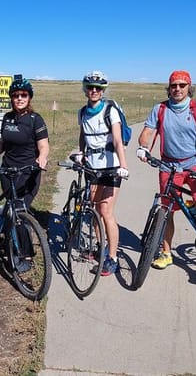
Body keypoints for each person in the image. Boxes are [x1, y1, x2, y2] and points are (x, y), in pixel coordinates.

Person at [136, 70, 196, 275]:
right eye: (174, 85)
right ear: (169, 88)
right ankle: (166, 253)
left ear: (188, 87)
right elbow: (147, 132)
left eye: (182, 85)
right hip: (169, 166)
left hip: (195, 165)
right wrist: (143, 147)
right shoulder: (160, 109)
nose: (177, 89)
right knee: (166, 211)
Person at [75, 71, 129, 276]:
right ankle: (101, 247)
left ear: (103, 90)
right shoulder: (82, 112)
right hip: (92, 166)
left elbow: (116, 140)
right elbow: (83, 135)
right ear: (85, 89)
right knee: (94, 210)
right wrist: (80, 152)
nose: (94, 91)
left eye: (98, 88)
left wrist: (123, 166)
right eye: (90, 87)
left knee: (106, 212)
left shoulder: (109, 110)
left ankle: (112, 258)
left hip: (112, 166)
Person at [0, 74, 49, 209]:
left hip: (28, 172)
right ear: (11, 98)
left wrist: (42, 157)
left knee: (21, 209)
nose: (19, 98)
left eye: (24, 95)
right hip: (7, 171)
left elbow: (43, 145)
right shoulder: (7, 117)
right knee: (11, 207)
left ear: (29, 97)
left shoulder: (35, 119)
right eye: (15, 95)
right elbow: (2, 145)